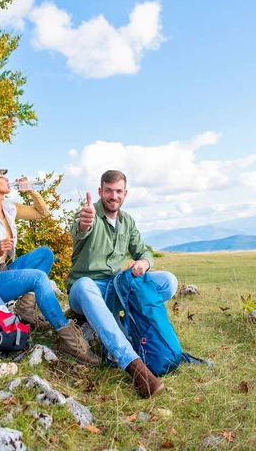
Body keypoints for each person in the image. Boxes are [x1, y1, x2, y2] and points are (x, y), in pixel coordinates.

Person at [0, 164, 100, 366]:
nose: (5, 178)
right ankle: (70, 340)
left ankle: (26, 310)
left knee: (45, 254)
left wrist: (31, 190)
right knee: (37, 278)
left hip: (2, 273)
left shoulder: (8, 208)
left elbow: (42, 212)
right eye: (0, 175)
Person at [68, 170, 178, 397]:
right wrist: (84, 225)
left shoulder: (127, 221)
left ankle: (131, 326)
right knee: (85, 285)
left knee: (168, 281)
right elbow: (79, 231)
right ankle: (133, 364)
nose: (113, 196)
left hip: (115, 287)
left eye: (118, 191)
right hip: (86, 289)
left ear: (125, 194)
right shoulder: (87, 215)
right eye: (108, 190)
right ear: (100, 192)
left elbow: (144, 251)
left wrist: (143, 264)